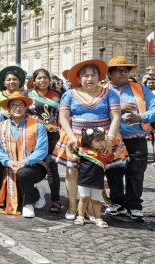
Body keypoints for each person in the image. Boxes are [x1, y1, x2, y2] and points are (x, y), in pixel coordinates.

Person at [53, 59, 125, 220]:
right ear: (78, 78)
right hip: (76, 137)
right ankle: (73, 205)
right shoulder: (68, 94)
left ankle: (92, 208)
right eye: (85, 75)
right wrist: (72, 138)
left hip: (102, 139)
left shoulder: (110, 93)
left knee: (96, 172)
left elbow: (116, 116)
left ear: (99, 77)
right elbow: (63, 118)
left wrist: (110, 138)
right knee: (72, 172)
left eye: (93, 75)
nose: (89, 78)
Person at [105, 56, 155, 221]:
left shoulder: (140, 89)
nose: (123, 73)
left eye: (126, 70)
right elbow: (95, 111)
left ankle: (134, 205)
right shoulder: (102, 90)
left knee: (136, 173)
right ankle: (117, 203)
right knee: (114, 172)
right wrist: (119, 108)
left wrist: (140, 117)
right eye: (119, 71)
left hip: (136, 138)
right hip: (112, 139)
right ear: (110, 74)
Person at [0, 92, 49, 218]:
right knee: (7, 199)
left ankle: (28, 204)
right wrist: (8, 162)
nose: (17, 108)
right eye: (13, 105)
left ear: (26, 108)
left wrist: (24, 162)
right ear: (8, 109)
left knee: (23, 174)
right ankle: (36, 193)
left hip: (33, 166)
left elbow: (42, 150)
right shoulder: (0, 126)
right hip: (9, 166)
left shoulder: (38, 125)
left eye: (20, 105)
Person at [27, 69, 62, 213]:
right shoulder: (27, 95)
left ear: (49, 79)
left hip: (52, 136)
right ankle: (30, 196)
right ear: (34, 81)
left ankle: (55, 200)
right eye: (39, 78)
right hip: (32, 135)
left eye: (45, 77)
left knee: (52, 168)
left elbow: (63, 114)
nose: (42, 80)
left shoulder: (58, 95)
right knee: (29, 165)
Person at [68, 127, 118, 228]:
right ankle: (80, 217)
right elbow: (72, 157)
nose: (101, 143)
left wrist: (119, 149)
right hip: (83, 181)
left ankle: (98, 218)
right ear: (89, 141)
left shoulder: (104, 153)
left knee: (96, 201)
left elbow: (114, 156)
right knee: (83, 199)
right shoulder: (82, 151)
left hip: (97, 182)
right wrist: (68, 147)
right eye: (98, 141)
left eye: (102, 140)